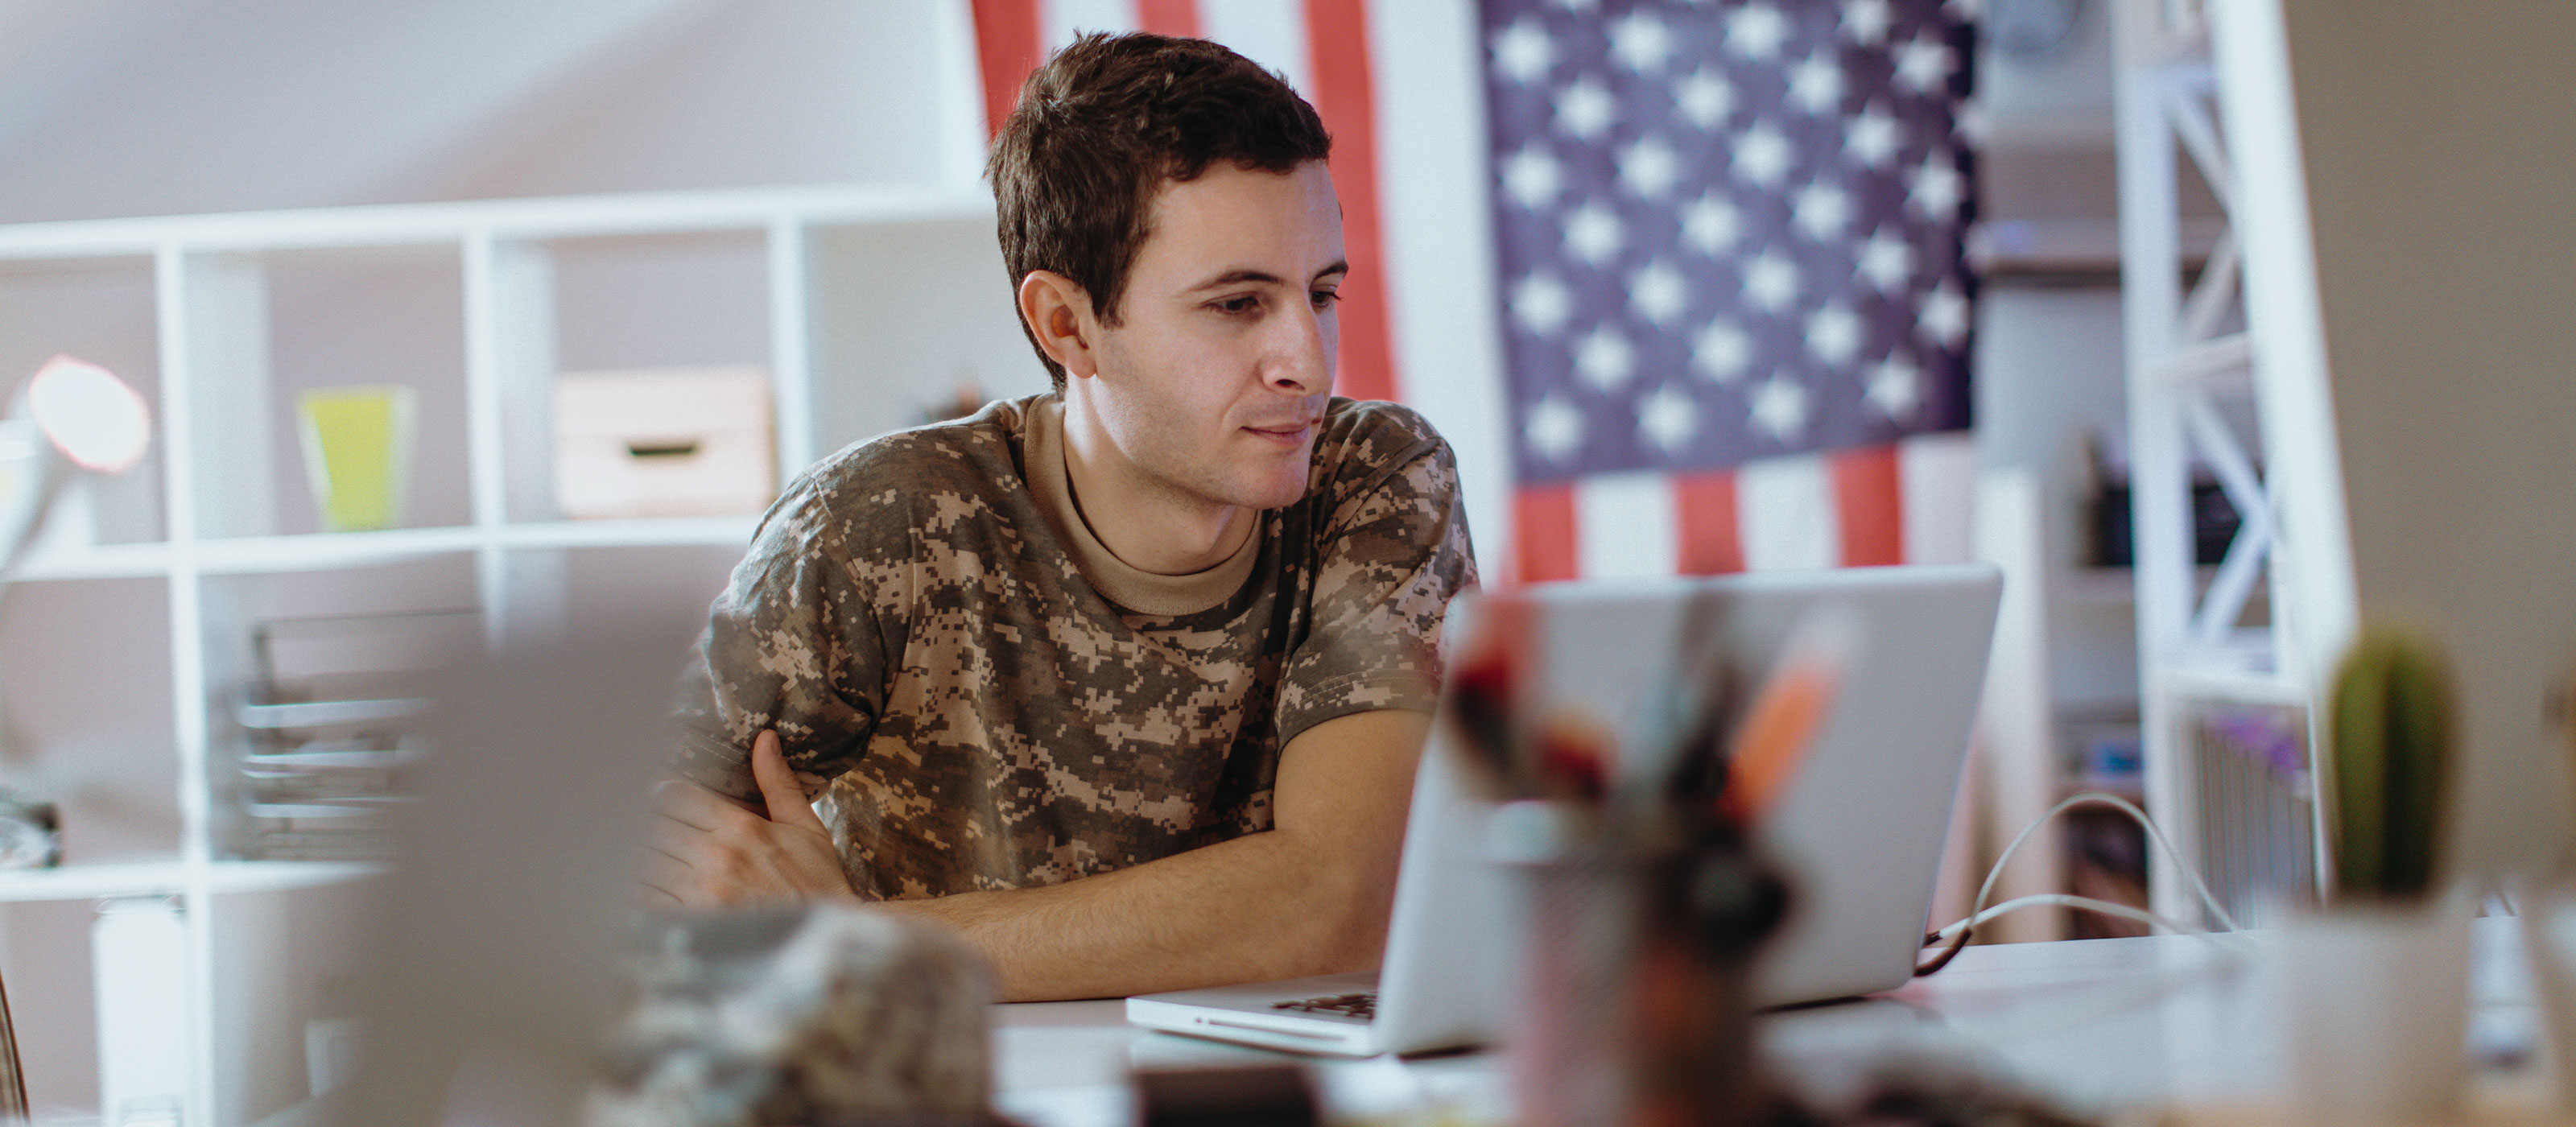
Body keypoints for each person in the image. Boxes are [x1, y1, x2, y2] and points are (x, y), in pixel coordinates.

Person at [644, 31, 1477, 1002]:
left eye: (1321, 292)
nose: (1309, 362)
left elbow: (1347, 899)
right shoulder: (878, 526)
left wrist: (862, 948)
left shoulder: (1373, 480)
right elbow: (631, 864)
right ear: (1066, 325)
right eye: (1237, 304)